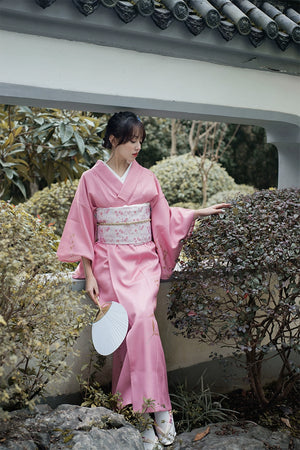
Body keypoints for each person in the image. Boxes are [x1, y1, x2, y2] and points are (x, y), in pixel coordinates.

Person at [57, 111, 230, 449]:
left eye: (140, 140)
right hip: (108, 261)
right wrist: (89, 273)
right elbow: (82, 228)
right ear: (113, 140)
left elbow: (163, 218)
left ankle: (150, 409)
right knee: (127, 330)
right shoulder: (90, 180)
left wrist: (195, 213)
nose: (137, 146)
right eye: (130, 140)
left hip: (142, 261)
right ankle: (146, 413)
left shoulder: (148, 178)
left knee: (141, 318)